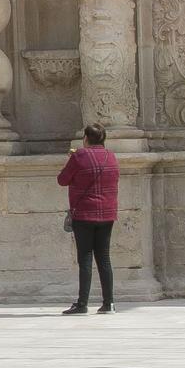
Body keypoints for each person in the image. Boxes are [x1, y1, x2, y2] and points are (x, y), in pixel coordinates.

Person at [58, 123, 119, 315]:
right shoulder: (111, 156)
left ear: (86, 138)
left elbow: (62, 180)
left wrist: (71, 160)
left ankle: (82, 303)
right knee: (104, 258)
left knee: (85, 258)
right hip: (107, 213)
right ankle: (109, 303)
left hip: (84, 213)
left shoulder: (79, 156)